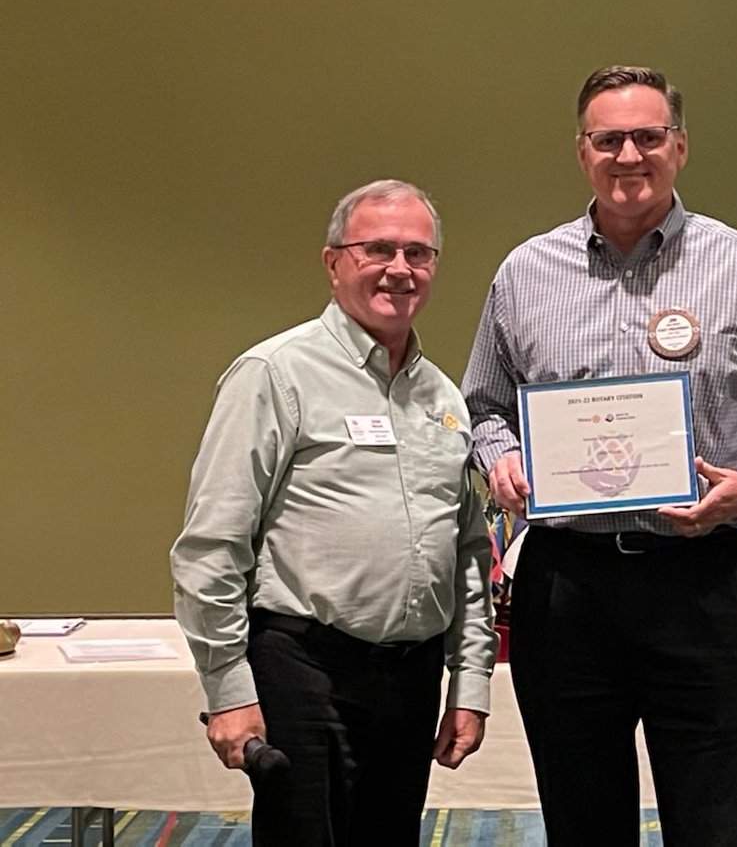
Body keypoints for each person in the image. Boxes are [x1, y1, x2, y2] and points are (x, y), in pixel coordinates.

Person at [462, 66, 737, 846]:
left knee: (717, 820)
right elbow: (483, 407)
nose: (628, 155)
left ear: (680, 148)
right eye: (609, 139)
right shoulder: (525, 273)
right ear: (582, 153)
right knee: (582, 819)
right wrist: (500, 459)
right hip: (565, 588)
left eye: (647, 137)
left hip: (699, 580)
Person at [170, 179, 496, 846]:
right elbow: (212, 545)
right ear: (333, 262)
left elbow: (467, 551)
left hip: (412, 676)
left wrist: (470, 682)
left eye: (418, 253)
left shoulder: (444, 397)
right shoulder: (274, 373)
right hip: (305, 670)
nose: (399, 269)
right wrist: (228, 690)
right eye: (377, 248)